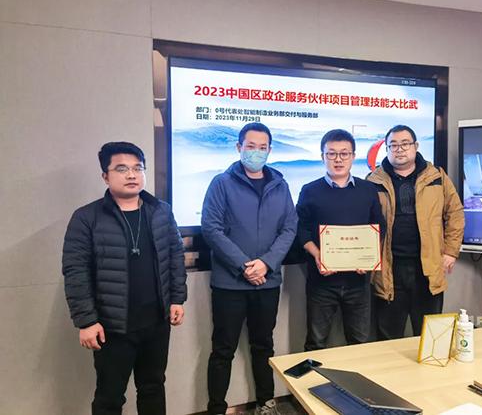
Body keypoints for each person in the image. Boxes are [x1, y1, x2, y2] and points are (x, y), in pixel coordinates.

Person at [62, 142, 187, 415]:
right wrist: (86, 321)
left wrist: (177, 299)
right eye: (121, 169)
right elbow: (75, 271)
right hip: (112, 326)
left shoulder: (161, 211)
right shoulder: (87, 217)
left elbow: (175, 256)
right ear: (105, 177)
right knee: (109, 397)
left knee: (153, 387)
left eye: (137, 168)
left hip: (156, 321)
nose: (132, 175)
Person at [202, 123, 298, 415]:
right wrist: (244, 266)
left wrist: (266, 263)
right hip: (229, 284)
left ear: (270, 150)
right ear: (239, 147)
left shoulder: (280, 185)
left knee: (263, 346)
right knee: (223, 349)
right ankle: (217, 409)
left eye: (262, 147)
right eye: (250, 146)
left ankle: (265, 403)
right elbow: (211, 228)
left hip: (267, 282)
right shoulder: (221, 183)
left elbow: (289, 227)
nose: (256, 152)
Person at [366, 125, 464, 340]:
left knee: (431, 336)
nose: (399, 149)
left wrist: (451, 251)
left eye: (405, 144)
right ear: (386, 149)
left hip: (427, 268)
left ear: (416, 146)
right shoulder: (373, 180)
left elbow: (455, 213)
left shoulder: (436, 176)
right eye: (393, 145)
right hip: (389, 270)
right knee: (388, 337)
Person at [296, 129, 385, 351]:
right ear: (322, 157)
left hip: (359, 283)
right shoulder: (310, 190)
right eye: (332, 153)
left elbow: (379, 227)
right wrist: (317, 254)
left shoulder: (368, 190)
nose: (338, 159)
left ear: (353, 157)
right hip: (321, 284)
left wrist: (369, 258)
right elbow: (300, 229)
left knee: (359, 345)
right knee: (316, 343)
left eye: (344, 153)